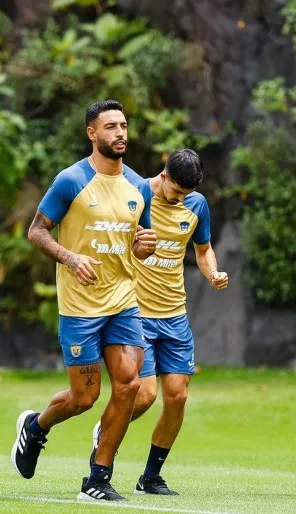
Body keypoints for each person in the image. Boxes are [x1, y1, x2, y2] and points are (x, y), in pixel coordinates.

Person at [12, 99, 157, 501]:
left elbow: (139, 244)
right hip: (79, 306)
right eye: (110, 126)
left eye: (124, 125)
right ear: (92, 133)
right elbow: (37, 231)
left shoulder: (140, 186)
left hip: (123, 301)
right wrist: (70, 257)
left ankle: (97, 479)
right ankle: (36, 427)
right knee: (84, 398)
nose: (120, 133)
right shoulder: (71, 180)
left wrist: (145, 246)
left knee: (128, 386)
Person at [88, 148, 229, 496]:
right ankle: (106, 432)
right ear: (163, 176)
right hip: (136, 314)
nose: (180, 198)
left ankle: (150, 477)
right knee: (145, 394)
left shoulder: (196, 205)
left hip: (175, 316)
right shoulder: (135, 195)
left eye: (186, 193)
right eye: (176, 191)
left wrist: (211, 272)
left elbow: (203, 248)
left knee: (177, 397)